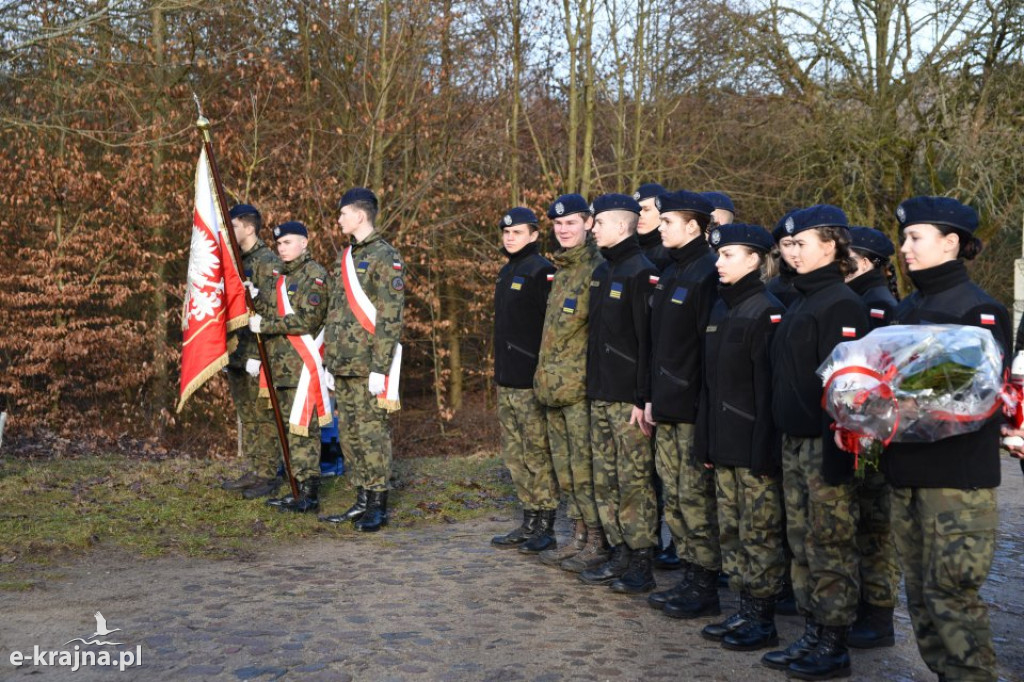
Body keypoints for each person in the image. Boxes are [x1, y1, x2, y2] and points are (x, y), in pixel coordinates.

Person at [879, 196, 1010, 681]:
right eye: (904, 237)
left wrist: (900, 394)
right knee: (919, 598)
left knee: (952, 598)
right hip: (907, 472)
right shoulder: (905, 307)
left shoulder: (979, 309)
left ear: (951, 242)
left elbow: (976, 395)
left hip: (955, 480)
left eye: (915, 237)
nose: (904, 247)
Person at [762, 205, 868, 680]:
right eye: (787, 245)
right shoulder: (800, 299)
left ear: (831, 245)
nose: (792, 253)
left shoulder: (841, 304)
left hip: (826, 446)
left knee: (830, 544)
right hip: (794, 441)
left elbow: (849, 392)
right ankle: (812, 630)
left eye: (802, 243)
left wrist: (839, 456)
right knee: (802, 541)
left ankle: (834, 640)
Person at [695, 223, 786, 651]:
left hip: (752, 447)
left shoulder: (764, 310)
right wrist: (706, 442)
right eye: (718, 255)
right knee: (731, 531)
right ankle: (743, 607)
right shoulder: (721, 307)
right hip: (723, 443)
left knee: (759, 533)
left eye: (728, 255)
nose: (718, 262)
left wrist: (763, 451)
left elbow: (767, 392)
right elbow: (709, 385)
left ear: (754, 259)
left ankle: (762, 617)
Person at [641, 190, 723, 614]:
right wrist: (651, 397)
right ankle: (690, 575)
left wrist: (698, 406)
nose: (661, 227)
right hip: (667, 405)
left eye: (668, 221)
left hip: (691, 408)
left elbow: (705, 352)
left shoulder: (708, 273)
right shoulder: (671, 271)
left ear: (693, 226)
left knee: (695, 497)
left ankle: (705, 585)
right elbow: (658, 346)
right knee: (674, 496)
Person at [577, 193, 659, 593]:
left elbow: (647, 343)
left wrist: (642, 398)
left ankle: (641, 560)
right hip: (600, 392)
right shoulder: (602, 271)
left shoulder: (641, 271)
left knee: (633, 481)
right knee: (605, 479)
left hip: (627, 399)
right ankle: (618, 553)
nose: (593, 229)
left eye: (599, 223)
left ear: (622, 226)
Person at [319, 188, 404, 532]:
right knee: (351, 437)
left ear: (360, 215)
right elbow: (335, 312)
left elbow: (390, 316)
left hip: (368, 365)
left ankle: (378, 504)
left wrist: (380, 369)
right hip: (342, 364)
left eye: (343, 213)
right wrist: (327, 362)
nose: (338, 219)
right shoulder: (345, 257)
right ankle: (361, 499)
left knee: (372, 435)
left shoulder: (386, 257)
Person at [533, 194, 609, 571]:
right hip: (552, 389)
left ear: (588, 224)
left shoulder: (597, 267)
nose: (563, 230)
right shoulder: (563, 268)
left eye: (571, 223)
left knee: (585, 470)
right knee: (565, 471)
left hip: (579, 391)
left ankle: (596, 540)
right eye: (558, 224)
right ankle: (577, 534)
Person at [488, 206, 560, 553]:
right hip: (507, 380)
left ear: (534, 235)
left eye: (517, 232)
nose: (510, 237)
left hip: (531, 382)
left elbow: (551, 331)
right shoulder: (506, 271)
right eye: (506, 233)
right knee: (515, 455)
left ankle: (545, 524)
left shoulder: (542, 271)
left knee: (536, 454)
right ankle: (529, 518)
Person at [247, 220, 331, 513]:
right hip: (278, 367)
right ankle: (296, 488)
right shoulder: (276, 277)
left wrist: (266, 325)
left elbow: (306, 320)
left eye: (288, 243)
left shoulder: (315, 275)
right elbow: (266, 314)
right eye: (279, 244)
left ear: (304, 243)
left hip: (301, 367)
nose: (282, 248)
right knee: (286, 429)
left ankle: (309, 492)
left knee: (303, 431)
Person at [843, 226, 901, 649]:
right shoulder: (860, 299)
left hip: (874, 433)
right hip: (856, 429)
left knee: (875, 526)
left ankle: (879, 617)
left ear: (863, 262)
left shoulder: (877, 305)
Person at [221, 204, 285, 500]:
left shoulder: (267, 261)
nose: (229, 231)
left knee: (263, 415)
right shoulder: (232, 261)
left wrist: (259, 357)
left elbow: (277, 308)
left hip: (258, 350)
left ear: (248, 227)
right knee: (246, 413)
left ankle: (268, 473)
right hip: (236, 349)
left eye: (233, 226)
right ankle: (256, 466)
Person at [633, 181, 680, 571]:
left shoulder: (667, 259)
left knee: (669, 474)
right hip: (643, 379)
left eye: (650, 211)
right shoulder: (636, 255)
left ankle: (674, 543)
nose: (643, 218)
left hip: (668, 382)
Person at [766, 210, 801, 309]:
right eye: (787, 244)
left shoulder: (829, 287)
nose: (795, 251)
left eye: (800, 243)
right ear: (778, 247)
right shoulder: (770, 289)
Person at [634, 182, 671, 271]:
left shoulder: (673, 254)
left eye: (646, 210)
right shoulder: (627, 249)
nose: (639, 215)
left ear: (662, 212)